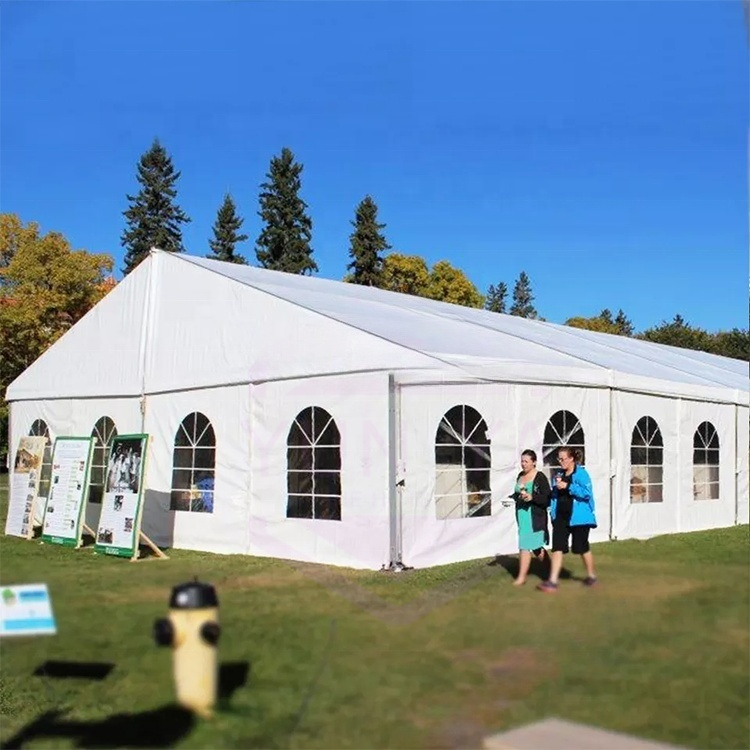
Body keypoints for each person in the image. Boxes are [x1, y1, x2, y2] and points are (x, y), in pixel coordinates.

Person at [537, 446, 597, 593]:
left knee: (581, 548)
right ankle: (552, 581)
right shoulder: (558, 475)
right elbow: (554, 496)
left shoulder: (582, 474)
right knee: (557, 547)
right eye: (559, 458)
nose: (560, 461)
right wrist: (552, 512)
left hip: (580, 519)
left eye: (563, 458)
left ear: (571, 459)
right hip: (561, 518)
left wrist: (569, 486)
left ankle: (591, 576)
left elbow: (587, 494)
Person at [511, 449, 551, 586]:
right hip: (522, 516)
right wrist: (515, 497)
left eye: (526, 461)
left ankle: (549, 571)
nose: (523, 464)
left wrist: (532, 497)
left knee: (535, 548)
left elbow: (547, 498)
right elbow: (517, 493)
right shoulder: (520, 476)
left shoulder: (540, 477)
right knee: (527, 546)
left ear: (534, 462)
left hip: (534, 517)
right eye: (522, 461)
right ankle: (523, 577)